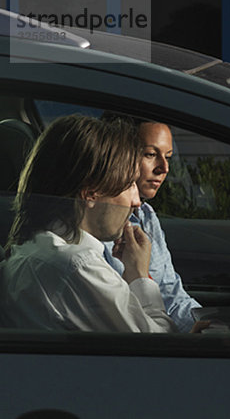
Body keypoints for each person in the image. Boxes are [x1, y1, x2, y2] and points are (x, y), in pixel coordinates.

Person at [0, 115, 177, 333]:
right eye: (129, 184)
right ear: (90, 195)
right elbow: (160, 344)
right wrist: (138, 275)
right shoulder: (77, 266)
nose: (136, 201)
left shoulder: (37, 249)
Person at [102, 114, 201, 332]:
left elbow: (170, 294)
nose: (164, 168)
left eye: (168, 157)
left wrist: (203, 327)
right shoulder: (98, 225)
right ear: (121, 155)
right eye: (150, 154)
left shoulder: (147, 216)